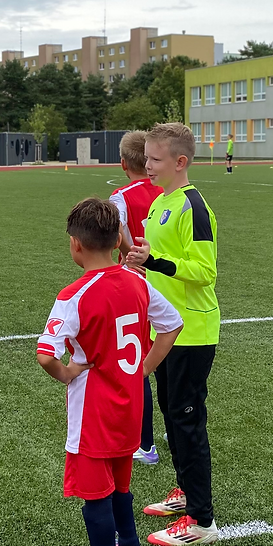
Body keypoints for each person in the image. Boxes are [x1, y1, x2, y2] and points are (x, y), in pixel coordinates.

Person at [37, 197, 182, 546]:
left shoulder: (74, 294)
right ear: (118, 237)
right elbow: (171, 325)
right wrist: (143, 371)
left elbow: (47, 353)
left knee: (95, 495)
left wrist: (66, 373)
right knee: (120, 485)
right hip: (130, 405)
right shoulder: (138, 281)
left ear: (75, 245)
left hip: (93, 412)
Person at [127, 122, 221, 546]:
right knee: (172, 415)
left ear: (180, 162)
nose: (146, 165)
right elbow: (161, 262)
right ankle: (185, 492)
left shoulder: (193, 207)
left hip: (192, 332)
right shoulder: (161, 202)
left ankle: (202, 523)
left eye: (154, 159)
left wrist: (156, 262)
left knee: (187, 422)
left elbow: (205, 272)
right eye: (146, 158)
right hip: (166, 332)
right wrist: (142, 263)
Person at [109, 130, 165, 467]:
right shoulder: (169, 191)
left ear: (123, 163)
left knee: (141, 362)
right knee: (166, 353)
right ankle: (175, 425)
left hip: (136, 283)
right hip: (170, 281)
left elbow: (123, 241)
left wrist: (136, 259)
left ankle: (145, 444)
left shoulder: (121, 196)